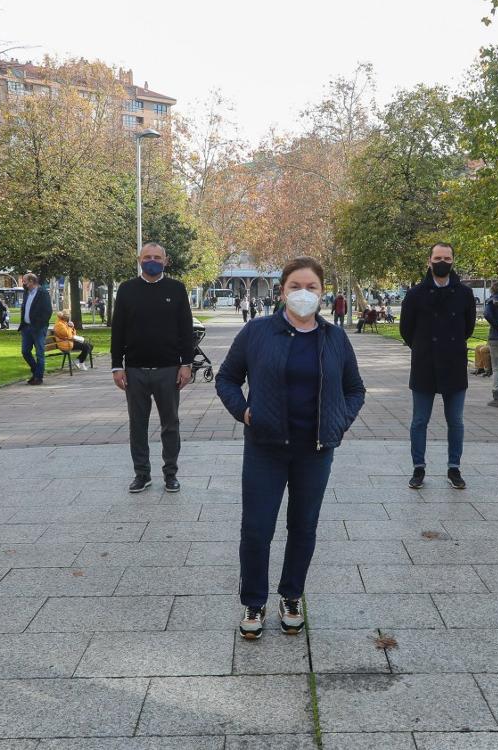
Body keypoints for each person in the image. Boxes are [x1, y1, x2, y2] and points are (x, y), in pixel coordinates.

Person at [216, 256, 365, 640]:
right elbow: (227, 379)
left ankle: (291, 595)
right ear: (282, 292)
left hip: (315, 451)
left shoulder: (334, 338)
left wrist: (338, 421)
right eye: (295, 287)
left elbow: (355, 390)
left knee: (303, 527)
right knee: (256, 528)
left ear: (322, 292)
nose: (303, 294)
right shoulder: (257, 332)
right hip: (266, 447)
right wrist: (244, 412)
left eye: (311, 287)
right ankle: (254, 600)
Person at [110, 243, 195, 493]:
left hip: (169, 369)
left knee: (171, 424)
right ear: (139, 259)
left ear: (165, 261)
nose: (152, 261)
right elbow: (118, 331)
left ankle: (171, 473)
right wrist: (117, 366)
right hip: (135, 370)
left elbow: (186, 330)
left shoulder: (177, 289)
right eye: (147, 257)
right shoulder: (126, 290)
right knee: (138, 424)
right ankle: (142, 473)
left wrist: (186, 365)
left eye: (157, 257)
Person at [399, 242, 476, 490]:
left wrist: (450, 347)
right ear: (429, 261)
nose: (442, 261)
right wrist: (422, 347)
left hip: (453, 363)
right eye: (438, 257)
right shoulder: (415, 294)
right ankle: (418, 468)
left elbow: (468, 328)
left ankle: (454, 468)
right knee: (420, 420)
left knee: (456, 420)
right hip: (424, 364)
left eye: (447, 257)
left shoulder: (464, 294)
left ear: (453, 260)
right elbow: (406, 329)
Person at [18, 273, 52, 386]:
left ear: (32, 281)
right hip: (27, 328)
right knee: (25, 351)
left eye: (25, 281)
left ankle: (38, 377)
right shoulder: (27, 293)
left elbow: (48, 311)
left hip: (38, 328)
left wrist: (39, 324)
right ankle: (36, 371)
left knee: (39, 353)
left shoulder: (42, 293)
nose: (24, 284)